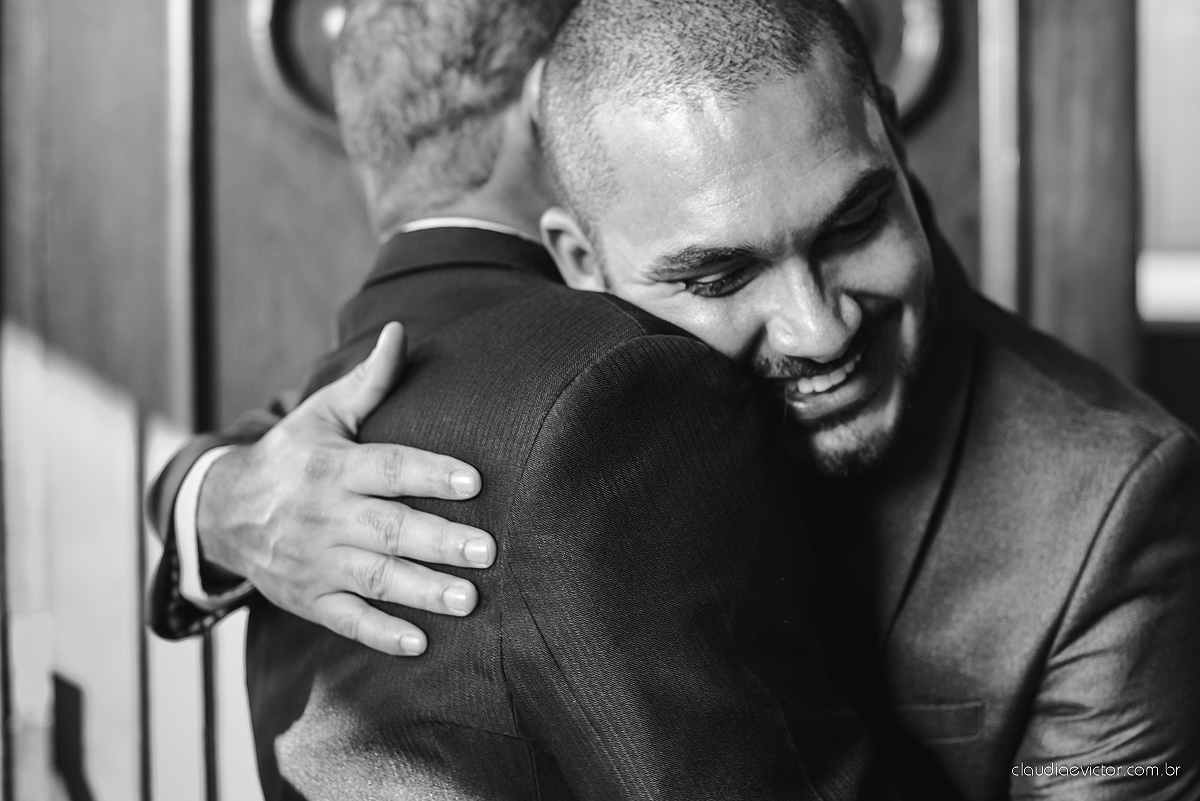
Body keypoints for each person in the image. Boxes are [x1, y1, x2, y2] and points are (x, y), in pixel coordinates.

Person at [149, 0, 1200, 798]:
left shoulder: (1118, 499)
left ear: (886, 136)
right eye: (718, 277)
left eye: (856, 224)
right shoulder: (544, 372)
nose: (818, 328)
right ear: (577, 264)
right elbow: (291, 440)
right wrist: (215, 502)